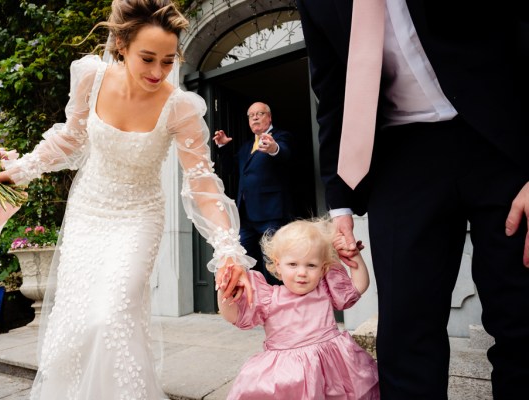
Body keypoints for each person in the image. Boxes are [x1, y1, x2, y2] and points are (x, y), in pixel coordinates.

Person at [0, 1, 253, 398]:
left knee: (112, 316)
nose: (158, 72)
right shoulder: (91, 78)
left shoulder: (179, 106)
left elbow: (203, 183)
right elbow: (70, 138)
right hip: (89, 211)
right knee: (76, 323)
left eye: (167, 61)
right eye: (148, 58)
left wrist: (228, 248)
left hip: (139, 218)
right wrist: (22, 169)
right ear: (121, 44)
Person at [296, 1, 529, 399]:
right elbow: (332, 87)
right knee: (404, 335)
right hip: (400, 157)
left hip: (503, 140)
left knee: (522, 320)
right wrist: (340, 204)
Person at [218, 217, 379, 400]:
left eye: (311, 265)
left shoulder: (325, 290)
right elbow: (233, 315)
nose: (301, 272)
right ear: (278, 265)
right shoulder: (269, 298)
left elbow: (360, 285)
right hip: (288, 376)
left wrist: (353, 255)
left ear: (323, 268)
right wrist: (225, 289)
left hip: (333, 369)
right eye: (292, 264)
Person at [213, 102, 293, 284]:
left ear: (269, 117)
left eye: (260, 113)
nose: (255, 117)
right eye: (251, 115)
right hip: (246, 215)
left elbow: (285, 154)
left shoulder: (281, 137)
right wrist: (224, 148)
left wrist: (274, 149)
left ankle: (276, 304)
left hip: (271, 214)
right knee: (242, 260)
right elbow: (232, 169)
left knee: (272, 262)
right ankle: (252, 302)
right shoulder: (247, 146)